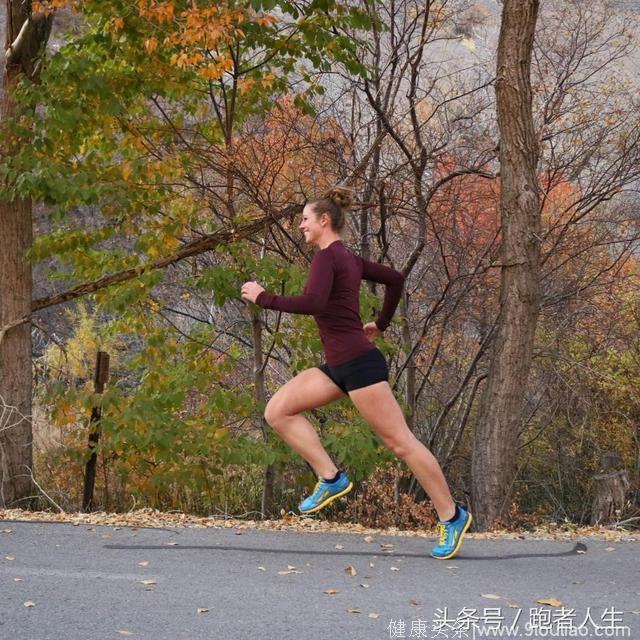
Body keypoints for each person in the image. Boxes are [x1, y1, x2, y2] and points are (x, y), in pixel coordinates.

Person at [240, 187, 472, 560]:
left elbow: (314, 302)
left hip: (359, 365)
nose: (301, 225)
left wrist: (263, 297)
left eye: (304, 219)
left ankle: (452, 515)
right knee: (278, 411)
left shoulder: (327, 258)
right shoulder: (349, 259)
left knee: (401, 443)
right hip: (339, 365)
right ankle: (331, 478)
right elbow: (395, 279)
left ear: (323, 221)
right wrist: (380, 323)